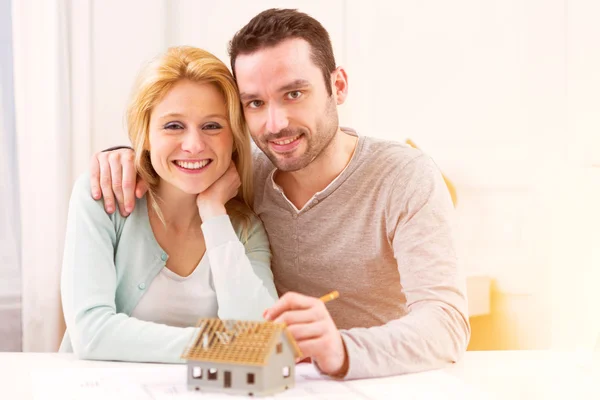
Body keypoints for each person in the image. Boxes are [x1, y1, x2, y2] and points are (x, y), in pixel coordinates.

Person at [90, 9, 470, 377]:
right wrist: (121, 157)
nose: (275, 124)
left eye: (293, 94)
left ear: (337, 86)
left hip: (382, 384)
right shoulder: (242, 175)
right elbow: (177, 150)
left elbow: (446, 323)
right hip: (275, 383)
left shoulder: (404, 176)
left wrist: (340, 349)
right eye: (255, 103)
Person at [60, 46, 278, 363]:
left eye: (213, 126)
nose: (193, 145)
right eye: (173, 125)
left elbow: (261, 339)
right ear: (145, 135)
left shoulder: (245, 231)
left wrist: (214, 212)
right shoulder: (102, 199)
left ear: (234, 136)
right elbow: (91, 334)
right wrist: (224, 348)